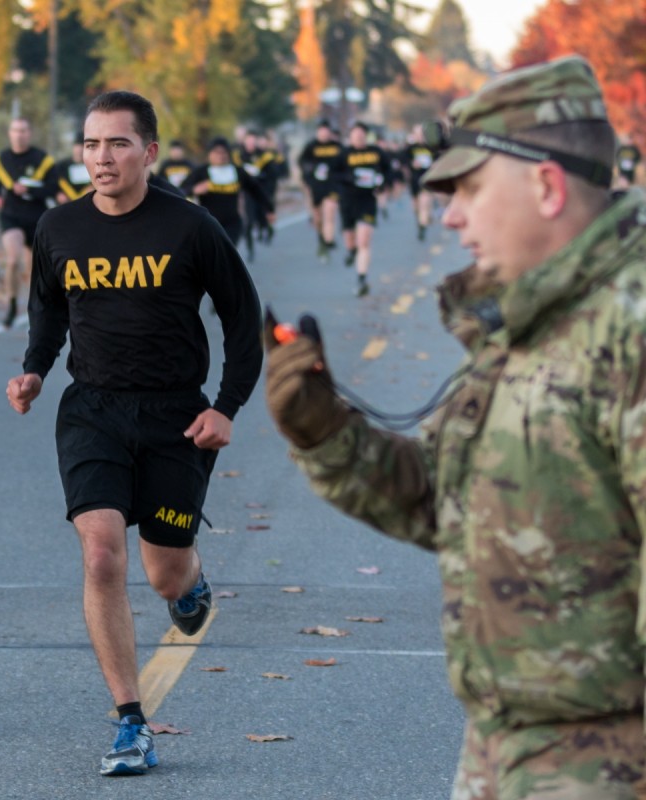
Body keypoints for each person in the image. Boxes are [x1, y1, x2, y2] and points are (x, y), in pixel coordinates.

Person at [264, 55, 646, 799]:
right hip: (505, 750)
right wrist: (326, 431)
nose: (451, 215)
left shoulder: (628, 331)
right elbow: (449, 504)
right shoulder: (530, 322)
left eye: (469, 187)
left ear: (546, 183)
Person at [6, 90, 263, 777]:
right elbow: (48, 312)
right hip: (91, 409)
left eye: (117, 144)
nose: (101, 157)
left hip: (176, 417)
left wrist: (226, 408)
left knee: (164, 569)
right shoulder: (58, 228)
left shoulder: (190, 227)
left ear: (148, 152)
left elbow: (243, 321)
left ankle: (188, 585)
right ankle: (130, 722)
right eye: (90, 144)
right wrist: (34, 370)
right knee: (100, 555)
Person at [0, 117, 55, 328]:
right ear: (10, 133)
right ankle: (11, 305)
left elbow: (53, 187)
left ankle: (40, 304)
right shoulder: (0, 159)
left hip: (36, 217)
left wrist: (31, 190)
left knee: (36, 267)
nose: (20, 134)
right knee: (14, 260)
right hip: (11, 216)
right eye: (16, 130)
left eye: (24, 130)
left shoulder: (43, 159)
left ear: (30, 133)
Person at [180, 136, 272, 263]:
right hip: (208, 224)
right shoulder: (201, 172)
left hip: (232, 223)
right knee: (211, 257)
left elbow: (256, 190)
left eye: (224, 152)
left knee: (224, 254)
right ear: (209, 154)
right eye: (216, 152)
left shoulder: (237, 171)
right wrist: (194, 190)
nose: (220, 156)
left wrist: (269, 209)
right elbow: (180, 190)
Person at [332, 121, 390, 297]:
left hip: (367, 200)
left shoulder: (376, 152)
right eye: (355, 135)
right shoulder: (343, 154)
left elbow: (388, 171)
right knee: (351, 240)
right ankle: (351, 251)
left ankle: (362, 278)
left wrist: (382, 182)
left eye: (361, 135)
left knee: (364, 241)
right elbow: (332, 174)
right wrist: (348, 178)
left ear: (366, 136)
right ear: (350, 137)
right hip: (348, 201)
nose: (358, 138)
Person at [298, 120, 344, 261]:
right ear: (318, 132)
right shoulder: (311, 146)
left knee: (329, 212)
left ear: (330, 132)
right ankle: (322, 238)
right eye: (321, 130)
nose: (324, 133)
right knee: (318, 218)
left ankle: (329, 240)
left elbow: (344, 164)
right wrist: (310, 171)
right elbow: (302, 162)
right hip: (316, 186)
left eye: (326, 130)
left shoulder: (337, 146)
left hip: (332, 186)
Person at [403, 126, 438, 241]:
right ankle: (420, 221)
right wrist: (412, 164)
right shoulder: (410, 148)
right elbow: (403, 161)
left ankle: (422, 228)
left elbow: (439, 160)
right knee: (416, 206)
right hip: (414, 179)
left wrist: (434, 166)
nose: (420, 136)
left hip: (427, 179)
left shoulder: (431, 148)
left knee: (424, 203)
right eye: (418, 134)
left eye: (422, 134)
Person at [53, 132, 93, 203]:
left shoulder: (93, 166)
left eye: (83, 146)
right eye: (77, 146)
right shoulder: (61, 166)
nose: (80, 149)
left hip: (88, 204)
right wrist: (57, 194)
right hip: (66, 205)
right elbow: (52, 184)